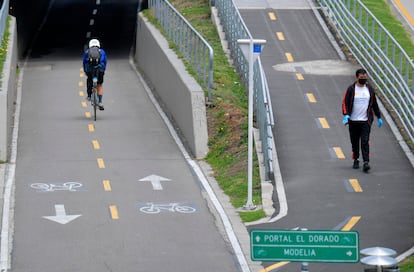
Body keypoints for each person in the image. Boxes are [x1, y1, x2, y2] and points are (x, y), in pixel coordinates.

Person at [342, 68, 383, 172]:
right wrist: (346, 115)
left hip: (366, 121)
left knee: (365, 141)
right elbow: (344, 103)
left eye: (365, 77)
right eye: (361, 78)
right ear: (356, 78)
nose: (363, 79)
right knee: (355, 142)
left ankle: (366, 162)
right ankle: (356, 159)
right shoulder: (351, 89)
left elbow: (374, 104)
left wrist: (379, 116)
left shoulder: (369, 89)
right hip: (353, 121)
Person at [83, 39, 107, 110]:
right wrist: (103, 70)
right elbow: (105, 62)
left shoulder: (87, 52)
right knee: (99, 85)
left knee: (89, 80)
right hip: (100, 70)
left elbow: (84, 62)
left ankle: (89, 95)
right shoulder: (102, 52)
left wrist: (85, 71)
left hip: (90, 70)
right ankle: (100, 102)